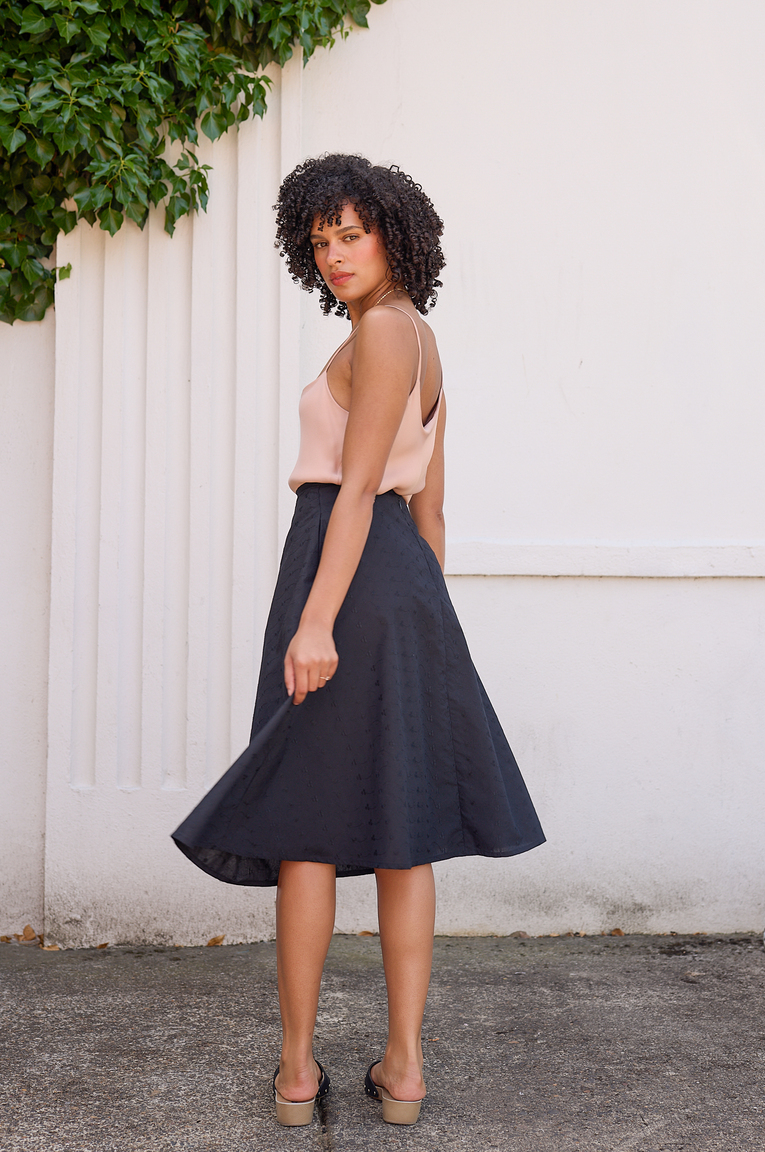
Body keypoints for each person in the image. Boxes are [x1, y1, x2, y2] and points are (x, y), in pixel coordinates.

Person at [173, 153, 545, 1127]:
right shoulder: (422, 341)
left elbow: (359, 486)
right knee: (401, 828)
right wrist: (422, 623)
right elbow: (432, 513)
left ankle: (299, 1072)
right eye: (320, 240)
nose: (335, 254)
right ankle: (403, 1069)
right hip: (401, 586)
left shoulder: (382, 330)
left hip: (339, 575)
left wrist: (316, 619)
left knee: (306, 824)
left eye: (351, 234)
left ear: (394, 234)